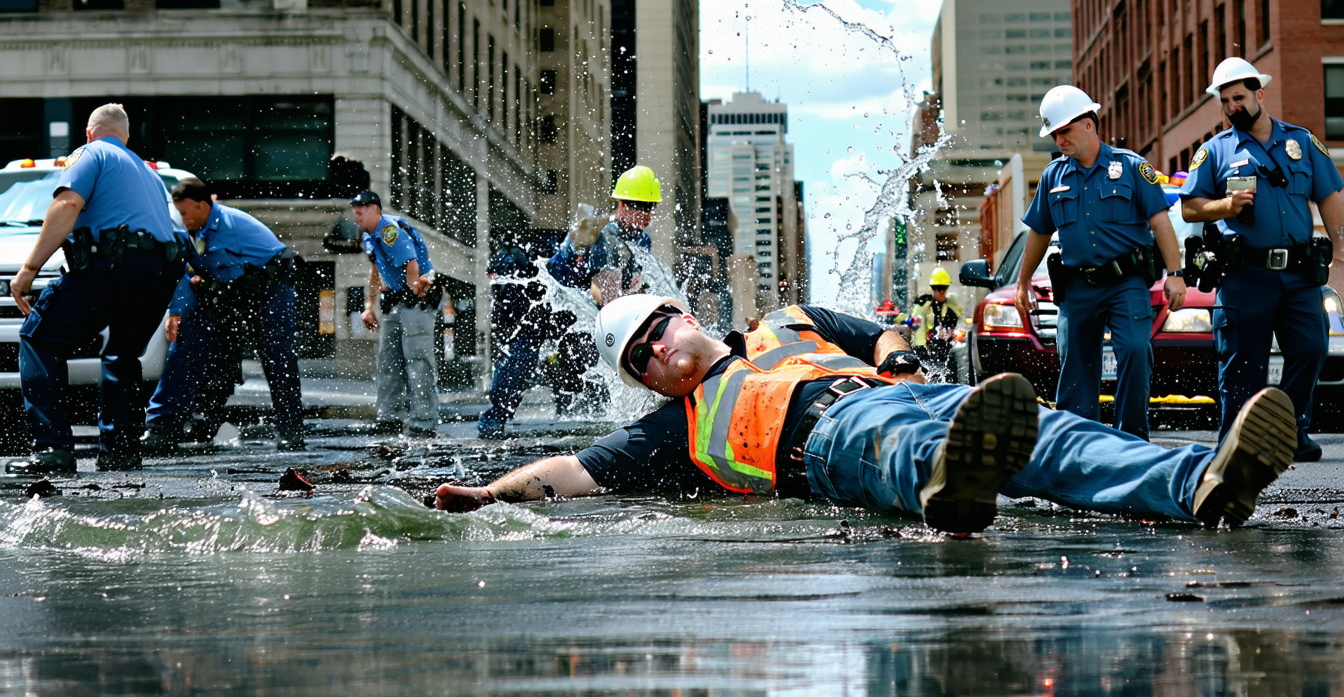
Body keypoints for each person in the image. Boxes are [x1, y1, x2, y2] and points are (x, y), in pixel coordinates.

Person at [433, 295, 1297, 535]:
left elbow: (878, 329)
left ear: (687, 315)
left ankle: (1203, 483)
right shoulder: (680, 428)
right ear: (649, 384)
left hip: (909, 396)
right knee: (891, 438)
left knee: (1053, 430)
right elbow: (571, 472)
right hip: (828, 440)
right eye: (640, 360)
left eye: (658, 329)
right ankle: (944, 483)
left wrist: (897, 359)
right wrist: (487, 491)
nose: (656, 350)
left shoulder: (785, 320)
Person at [1180, 57, 1344, 463]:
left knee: (1311, 348)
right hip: (1245, 275)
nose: (1233, 106)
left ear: (1260, 95)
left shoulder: (1302, 142)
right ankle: (1237, 444)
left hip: (1300, 274)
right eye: (1226, 101)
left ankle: (1287, 429)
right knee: (1241, 366)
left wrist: (1340, 258)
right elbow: (1189, 208)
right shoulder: (1214, 152)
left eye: (1239, 98)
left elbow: (1329, 199)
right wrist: (1225, 204)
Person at [6, 104, 183, 474]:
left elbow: (68, 202)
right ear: (126, 136)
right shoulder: (148, 173)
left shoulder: (90, 153)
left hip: (114, 264)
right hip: (159, 272)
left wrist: (29, 270)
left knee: (40, 339)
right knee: (122, 354)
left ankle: (53, 450)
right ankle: (120, 452)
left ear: (89, 132)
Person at [1015, 86, 1187, 441]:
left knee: (1136, 353)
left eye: (1064, 131)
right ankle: (1080, 443)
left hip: (1126, 284)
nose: (1058, 140)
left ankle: (1131, 440)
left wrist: (1176, 274)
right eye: (1054, 134)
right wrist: (1022, 282)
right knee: (1075, 366)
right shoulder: (1053, 177)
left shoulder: (1133, 167)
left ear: (1090, 124)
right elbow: (1039, 234)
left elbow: (1160, 223)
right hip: (1076, 289)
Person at [142, 177, 305, 453]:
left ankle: (291, 429)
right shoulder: (187, 230)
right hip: (225, 291)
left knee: (277, 356)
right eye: (178, 212)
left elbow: (267, 268)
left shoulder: (232, 224)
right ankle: (163, 427)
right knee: (186, 345)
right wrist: (176, 313)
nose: (181, 218)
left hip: (269, 290)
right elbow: (182, 269)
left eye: (184, 212)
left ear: (203, 206)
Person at [350, 190, 440, 438]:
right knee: (388, 362)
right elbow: (376, 270)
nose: (357, 212)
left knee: (418, 361)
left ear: (376, 209)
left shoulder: (390, 231)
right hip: (395, 301)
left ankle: (424, 421)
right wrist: (369, 305)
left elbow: (412, 265)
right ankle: (389, 418)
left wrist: (412, 294)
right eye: (356, 208)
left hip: (416, 297)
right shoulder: (369, 236)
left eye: (363, 207)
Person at [477, 247, 577, 439]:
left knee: (520, 368)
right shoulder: (513, 283)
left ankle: (498, 417)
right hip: (530, 335)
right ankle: (497, 416)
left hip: (535, 334)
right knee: (519, 367)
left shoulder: (520, 281)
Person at [547, 165, 660, 307]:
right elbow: (599, 294)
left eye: (651, 206)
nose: (647, 213)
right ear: (622, 204)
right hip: (567, 300)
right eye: (642, 206)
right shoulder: (602, 234)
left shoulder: (642, 240)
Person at [909, 268, 963, 382]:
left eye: (943, 288)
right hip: (927, 349)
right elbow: (916, 327)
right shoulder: (923, 304)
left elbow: (959, 323)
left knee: (949, 376)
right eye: (937, 288)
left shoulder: (951, 306)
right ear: (932, 289)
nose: (940, 292)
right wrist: (920, 348)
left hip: (946, 349)